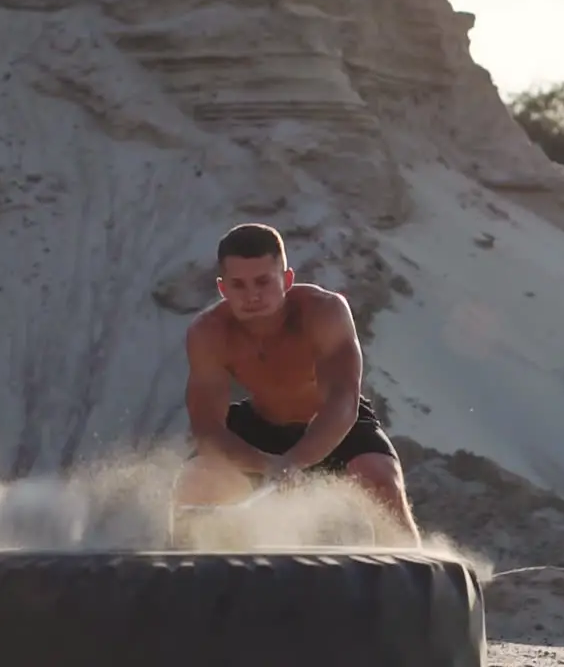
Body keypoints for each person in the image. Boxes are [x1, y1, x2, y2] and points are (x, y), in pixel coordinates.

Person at [173, 222, 421, 545]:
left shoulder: (324, 312)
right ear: (223, 289)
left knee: (379, 478)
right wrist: (268, 465)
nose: (252, 296)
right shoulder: (209, 333)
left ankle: (416, 576)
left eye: (263, 281)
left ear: (287, 280)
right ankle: (179, 578)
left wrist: (295, 460)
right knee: (194, 482)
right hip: (260, 427)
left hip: (331, 425)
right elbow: (207, 429)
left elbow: (343, 400)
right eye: (239, 285)